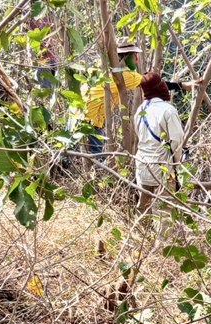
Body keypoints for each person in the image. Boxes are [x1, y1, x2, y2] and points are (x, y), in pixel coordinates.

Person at [81, 38, 194, 155]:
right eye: (135, 56)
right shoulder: (123, 74)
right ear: (126, 56)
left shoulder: (102, 67)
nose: (136, 61)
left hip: (77, 115)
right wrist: (183, 85)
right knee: (96, 160)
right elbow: (152, 83)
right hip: (91, 121)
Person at [132, 72, 185, 212]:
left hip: (142, 166)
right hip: (162, 168)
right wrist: (175, 163)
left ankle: (139, 232)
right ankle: (161, 235)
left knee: (143, 208)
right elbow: (177, 140)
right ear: (159, 87)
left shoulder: (140, 110)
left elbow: (139, 135)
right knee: (164, 213)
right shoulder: (168, 110)